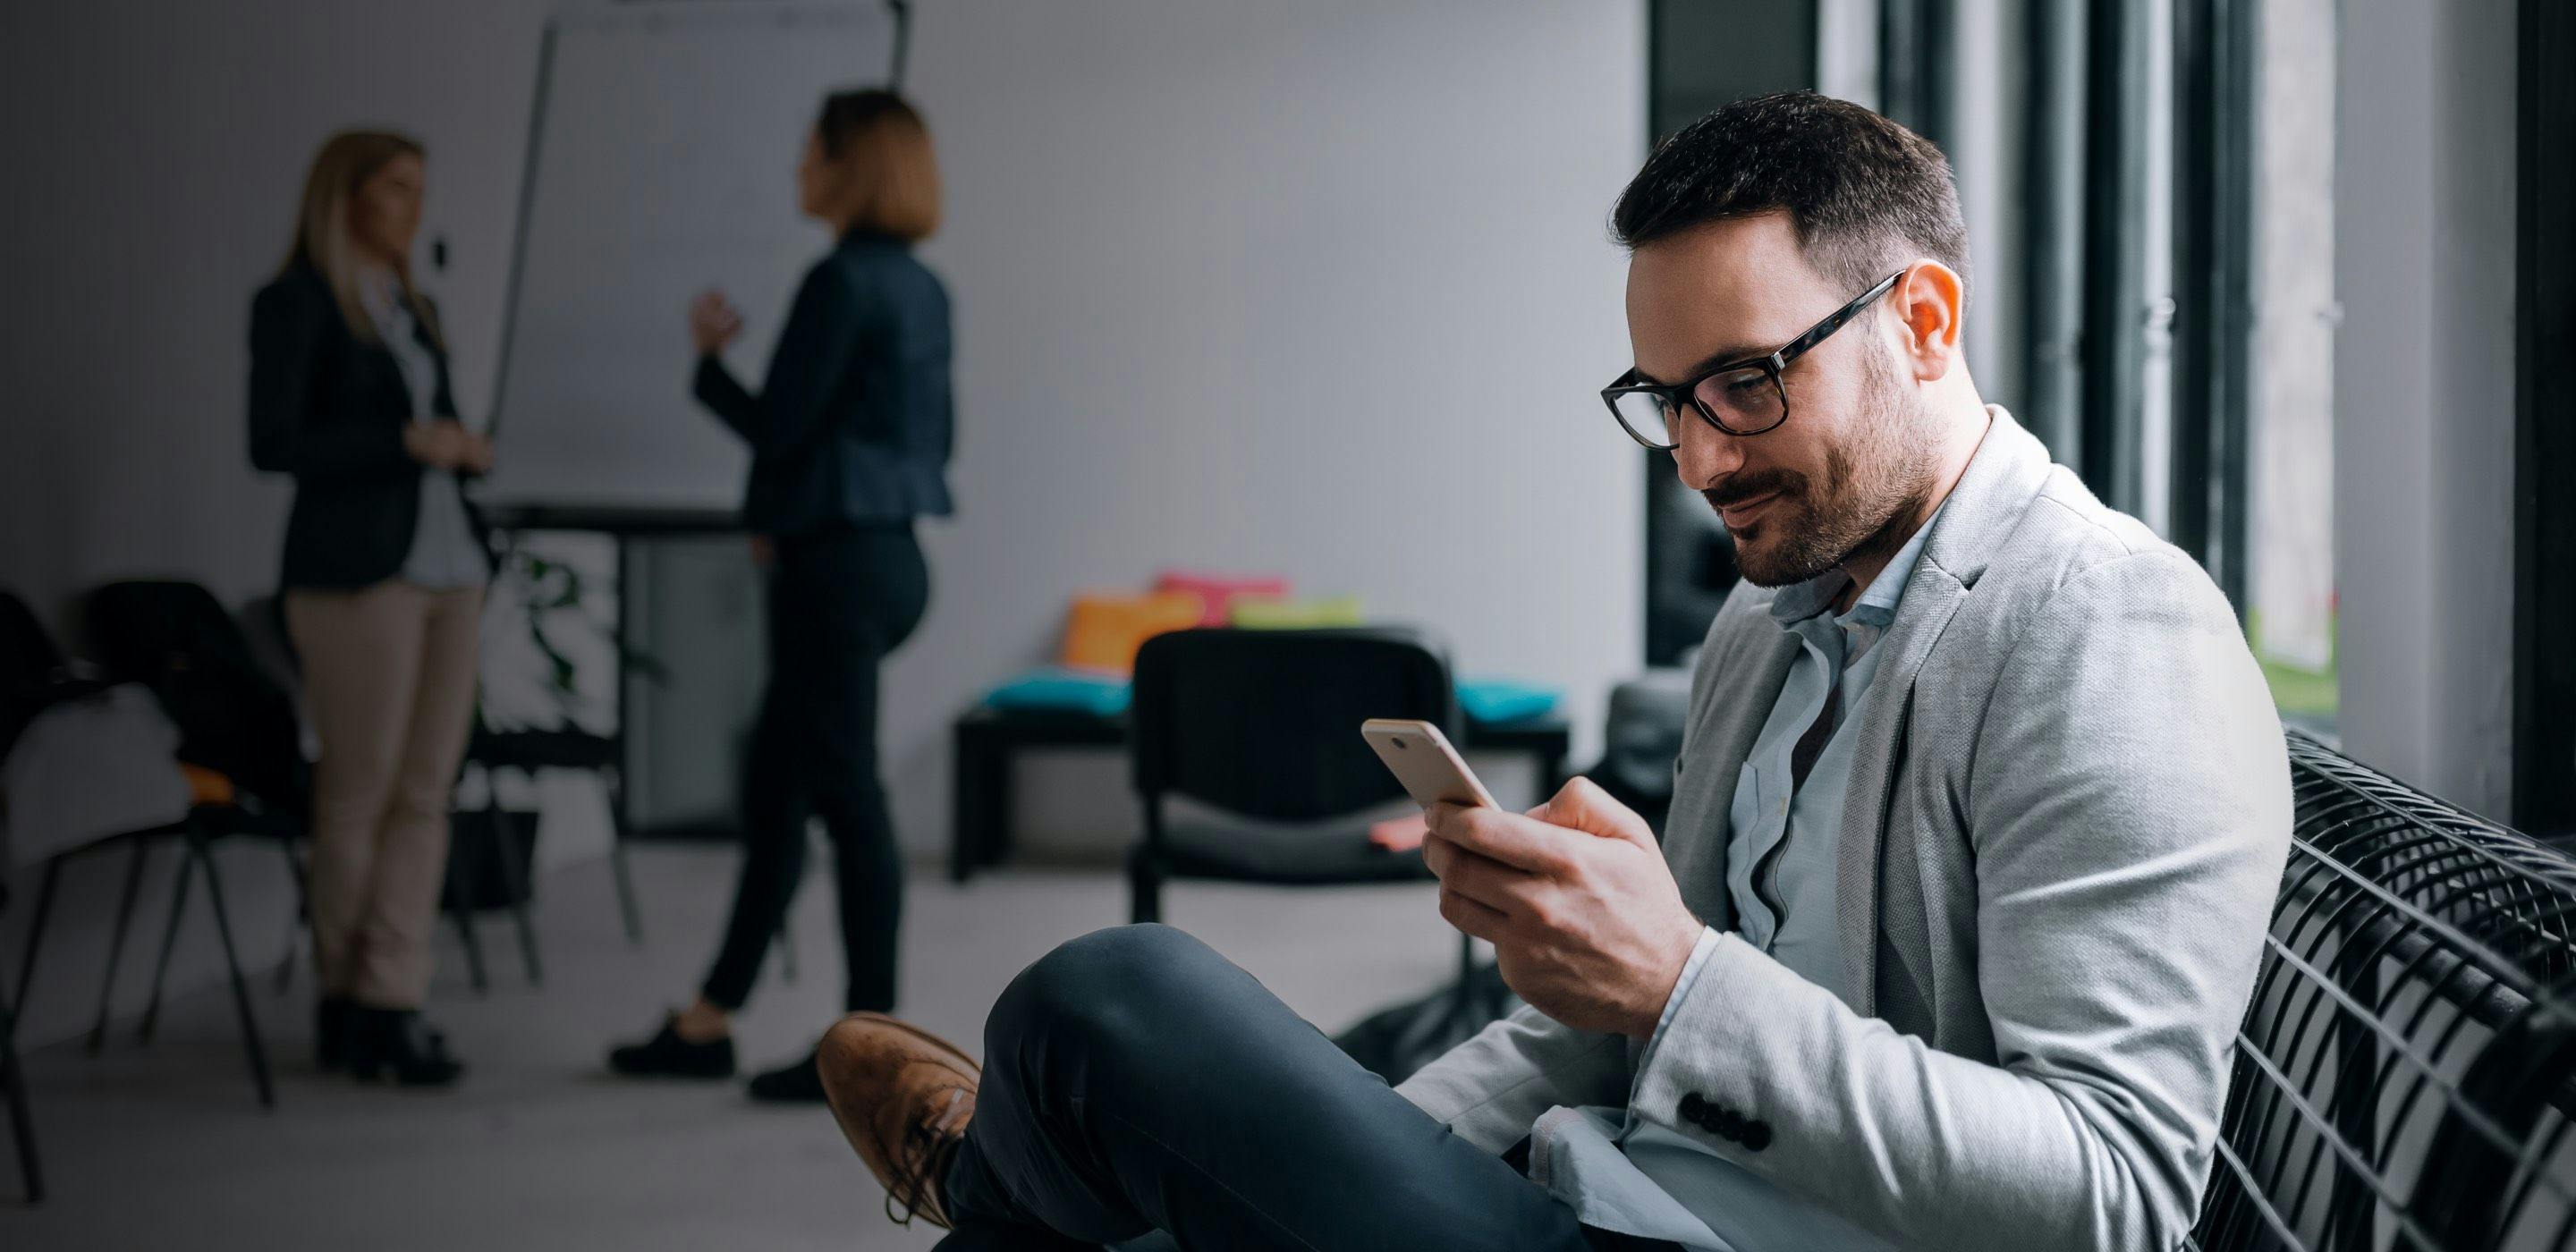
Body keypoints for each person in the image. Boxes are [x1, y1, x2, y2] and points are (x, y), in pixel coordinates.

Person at [812, 91, 2293, 1251]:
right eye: (1663, 403)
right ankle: (1058, 1183)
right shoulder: (1764, 627)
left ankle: (1015, 1174)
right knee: (1146, 1086)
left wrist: (1677, 982)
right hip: (1592, 1199)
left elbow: (2116, 1195)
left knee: (1111, 1000)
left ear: (1920, 321)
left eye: (1746, 383)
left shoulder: (2104, 632)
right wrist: (1330, 1168)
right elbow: (1581, 1047)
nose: (1701, 458)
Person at [607, 89, 953, 1103]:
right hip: (888, 558)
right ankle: (710, 1014)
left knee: (847, 799)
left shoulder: (839, 279)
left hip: (833, 569)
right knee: (780, 786)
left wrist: (710, 366)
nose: (798, 171)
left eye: (811, 155)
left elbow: (783, 428)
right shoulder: (922, 287)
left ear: (853, 166)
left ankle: (878, 1053)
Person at [250, 130, 493, 1087]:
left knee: (426, 791)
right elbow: (273, 441)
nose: (413, 207)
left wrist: (463, 449)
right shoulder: (296, 303)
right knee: (358, 790)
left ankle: (395, 994)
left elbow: (434, 430)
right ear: (342, 197)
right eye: (396, 188)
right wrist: (407, 439)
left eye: (419, 188)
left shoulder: (415, 307)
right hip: (356, 577)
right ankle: (341, 997)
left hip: (450, 570)